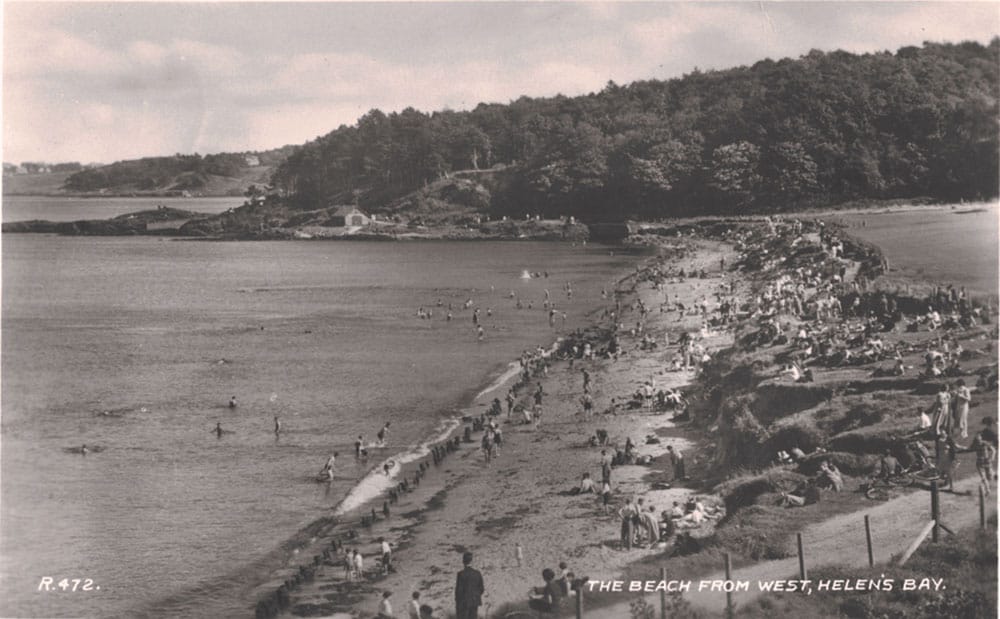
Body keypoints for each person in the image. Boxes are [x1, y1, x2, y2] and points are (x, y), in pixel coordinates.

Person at [455, 551, 484, 619]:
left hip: (463, 603)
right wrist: (475, 595)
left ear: (463, 562)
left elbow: (459, 591)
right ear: (472, 561)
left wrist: (458, 603)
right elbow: (481, 588)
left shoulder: (461, 574)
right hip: (474, 602)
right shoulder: (477, 573)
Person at [972, 427, 996, 496]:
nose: (977, 437)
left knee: (989, 477)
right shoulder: (975, 444)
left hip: (986, 461)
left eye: (978, 436)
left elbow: (993, 450)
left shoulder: (985, 443)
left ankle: (992, 473)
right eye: (976, 436)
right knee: (983, 477)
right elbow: (969, 448)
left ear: (981, 437)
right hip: (979, 462)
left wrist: (992, 457)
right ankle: (987, 489)